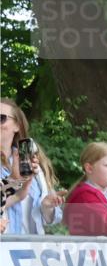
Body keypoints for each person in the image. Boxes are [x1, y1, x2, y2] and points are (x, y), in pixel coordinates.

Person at [0, 98, 64, 235]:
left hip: (31, 251)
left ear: (17, 125)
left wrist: (47, 206)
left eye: (1, 118)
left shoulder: (31, 164)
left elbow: (51, 219)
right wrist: (14, 184)